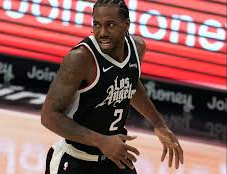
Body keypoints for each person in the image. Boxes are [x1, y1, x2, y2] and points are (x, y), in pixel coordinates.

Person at [41, 0, 184, 173]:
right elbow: (49, 116)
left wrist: (159, 124)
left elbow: (130, 84)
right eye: (97, 25)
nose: (102, 33)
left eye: (110, 25)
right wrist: (101, 141)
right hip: (76, 161)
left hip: (115, 158)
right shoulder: (80, 59)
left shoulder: (137, 48)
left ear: (126, 25)